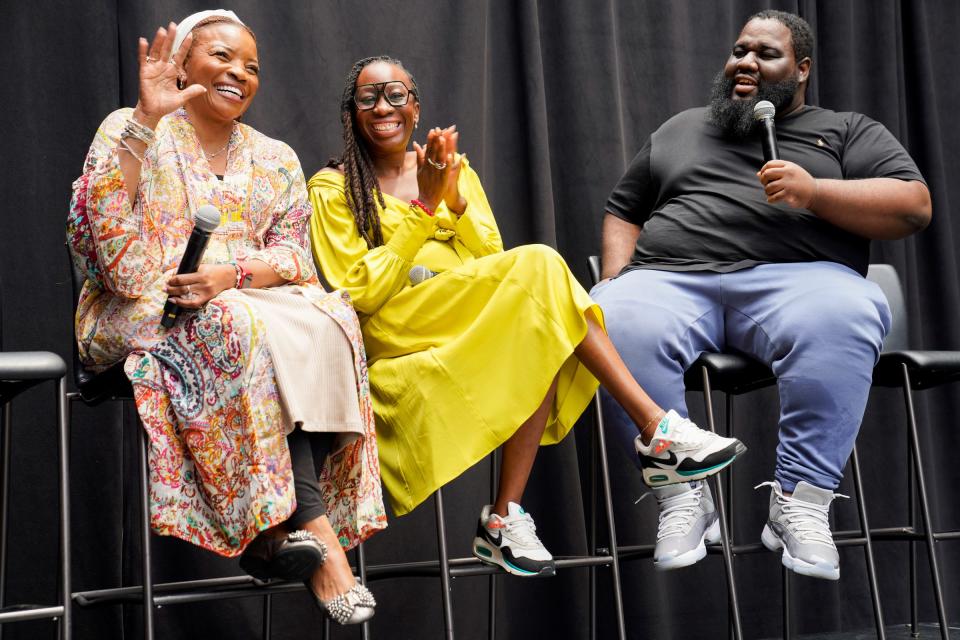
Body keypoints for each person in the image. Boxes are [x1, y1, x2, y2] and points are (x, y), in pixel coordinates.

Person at [308, 56, 745, 578]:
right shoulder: (332, 189)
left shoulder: (452, 167)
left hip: (460, 312)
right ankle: (656, 430)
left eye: (396, 94)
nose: (383, 106)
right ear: (352, 111)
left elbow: (490, 255)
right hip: (395, 327)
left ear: (416, 107)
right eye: (368, 97)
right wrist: (425, 210)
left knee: (541, 325)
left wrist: (452, 200)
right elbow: (359, 292)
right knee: (540, 268)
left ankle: (505, 518)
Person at [67, 11, 382, 624]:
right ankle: (323, 548)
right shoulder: (132, 129)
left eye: (251, 66)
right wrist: (146, 121)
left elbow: (295, 254)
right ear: (181, 63)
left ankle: (270, 540)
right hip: (137, 316)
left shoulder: (275, 157)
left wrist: (227, 277)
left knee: (332, 317)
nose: (239, 72)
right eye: (220, 56)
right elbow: (101, 251)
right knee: (242, 324)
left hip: (242, 309)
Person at [594, 10, 931, 579]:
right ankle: (681, 494)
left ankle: (800, 502)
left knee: (849, 309)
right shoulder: (680, 127)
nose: (745, 62)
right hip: (671, 277)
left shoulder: (847, 129)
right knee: (603, 314)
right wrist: (616, 274)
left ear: (801, 70)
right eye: (739, 50)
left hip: (800, 280)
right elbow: (624, 209)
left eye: (765, 53)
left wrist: (815, 191)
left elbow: (913, 205)